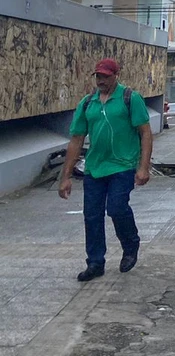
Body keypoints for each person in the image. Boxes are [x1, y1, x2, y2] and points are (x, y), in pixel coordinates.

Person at [58, 59, 152, 282]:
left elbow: (145, 133)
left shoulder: (130, 98)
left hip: (123, 165)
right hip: (95, 168)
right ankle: (95, 262)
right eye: (98, 76)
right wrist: (66, 176)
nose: (101, 80)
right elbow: (76, 139)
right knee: (92, 216)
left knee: (117, 209)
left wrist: (143, 167)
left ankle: (130, 245)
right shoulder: (87, 103)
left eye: (106, 76)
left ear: (116, 75)